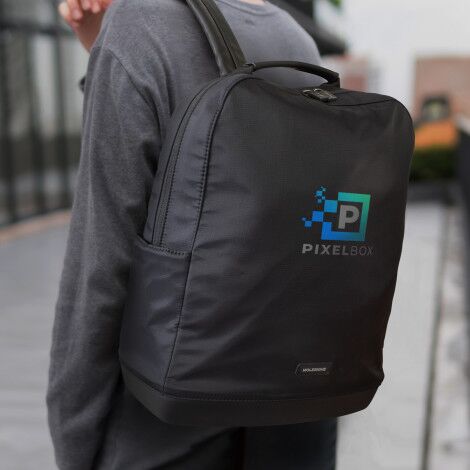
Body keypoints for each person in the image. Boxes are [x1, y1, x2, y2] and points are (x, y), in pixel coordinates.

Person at [47, 0, 338, 468]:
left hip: (163, 436)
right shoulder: (294, 38)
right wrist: (103, 52)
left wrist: (73, 439)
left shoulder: (141, 26)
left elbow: (99, 271)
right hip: (292, 419)